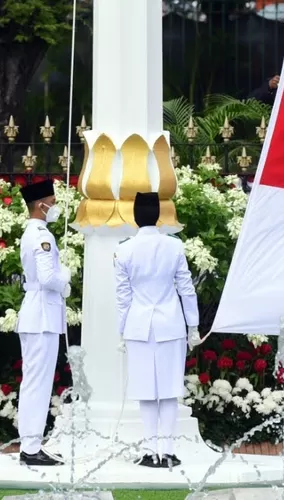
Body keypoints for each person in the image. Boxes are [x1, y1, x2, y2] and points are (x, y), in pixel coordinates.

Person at [114, 192, 200, 468]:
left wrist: (121, 330)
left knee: (146, 390)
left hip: (139, 325)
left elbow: (123, 296)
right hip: (171, 324)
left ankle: (152, 451)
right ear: (159, 216)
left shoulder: (124, 248)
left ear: (136, 218)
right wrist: (193, 325)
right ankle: (169, 450)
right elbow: (186, 289)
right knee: (169, 389)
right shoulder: (174, 247)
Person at [16, 179, 71, 466]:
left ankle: (31, 444)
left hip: (38, 315)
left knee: (34, 381)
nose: (55, 206)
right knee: (37, 383)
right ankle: (31, 447)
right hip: (42, 317)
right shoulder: (41, 236)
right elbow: (49, 279)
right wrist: (66, 279)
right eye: (53, 201)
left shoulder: (34, 233)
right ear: (41, 205)